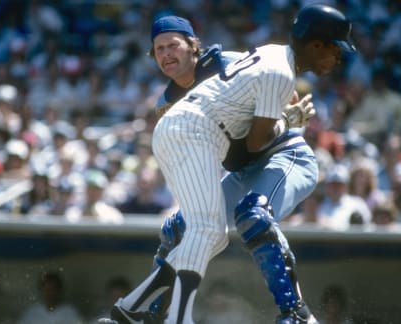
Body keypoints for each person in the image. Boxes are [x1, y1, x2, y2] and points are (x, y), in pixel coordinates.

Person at [100, 5, 355, 324]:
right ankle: (144, 311)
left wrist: (284, 118)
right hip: (240, 161)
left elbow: (265, 125)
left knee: (252, 216)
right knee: (183, 228)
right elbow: (242, 147)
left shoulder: (231, 61)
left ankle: (295, 313)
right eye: (159, 48)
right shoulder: (169, 103)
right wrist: (285, 118)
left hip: (281, 153)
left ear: (194, 44)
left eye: (172, 44)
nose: (166, 53)